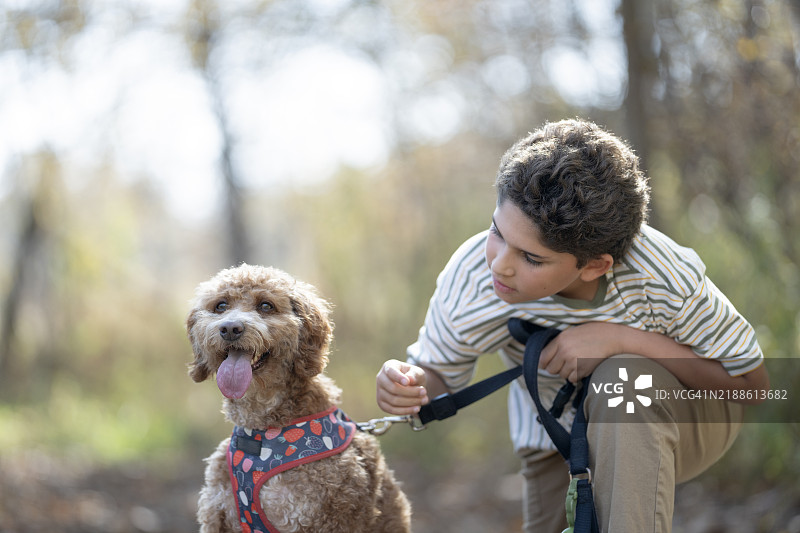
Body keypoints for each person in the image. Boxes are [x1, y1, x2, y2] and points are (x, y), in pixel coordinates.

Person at [375, 118, 769, 533]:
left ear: (595, 265)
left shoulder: (663, 278)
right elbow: (439, 374)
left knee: (621, 378)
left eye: (531, 258)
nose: (499, 265)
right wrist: (409, 384)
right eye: (497, 232)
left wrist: (621, 340)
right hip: (553, 434)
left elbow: (754, 386)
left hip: (688, 415)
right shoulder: (474, 276)